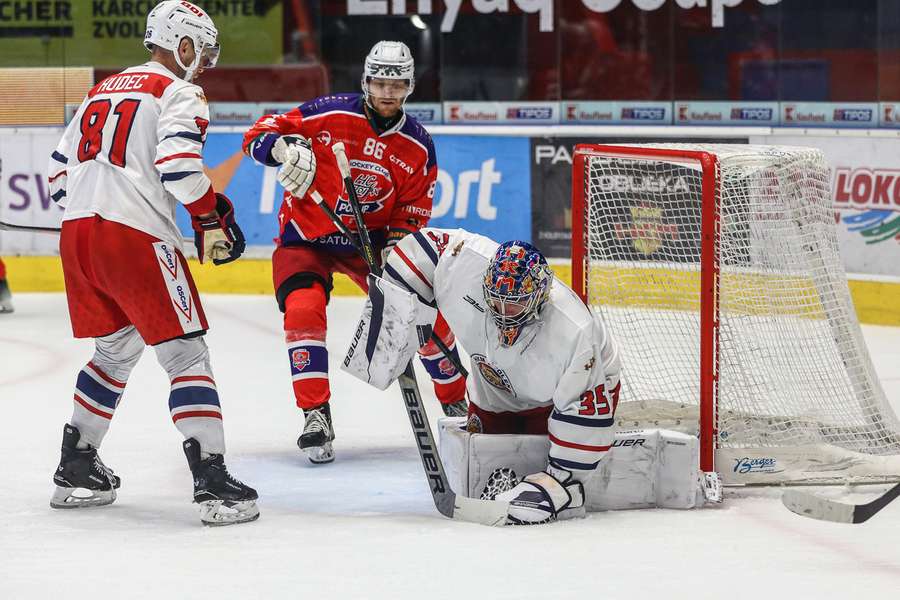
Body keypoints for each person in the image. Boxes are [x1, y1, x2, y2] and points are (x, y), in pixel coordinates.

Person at [45, 1, 257, 526]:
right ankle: (212, 480)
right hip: (134, 239)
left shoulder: (102, 88)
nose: (204, 62)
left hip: (78, 238)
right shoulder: (178, 91)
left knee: (115, 351)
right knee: (187, 355)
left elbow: (56, 179)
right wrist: (213, 216)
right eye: (202, 51)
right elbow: (181, 169)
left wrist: (100, 202)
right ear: (182, 44)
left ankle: (77, 463)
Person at [242, 41, 467, 465]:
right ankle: (315, 415)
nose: (387, 92)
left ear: (410, 87)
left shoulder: (418, 145)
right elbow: (256, 134)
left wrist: (397, 246)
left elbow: (413, 210)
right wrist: (280, 149)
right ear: (366, 81)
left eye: (397, 84)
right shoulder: (327, 114)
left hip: (373, 246)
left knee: (422, 312)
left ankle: (457, 402)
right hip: (306, 237)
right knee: (303, 309)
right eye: (380, 82)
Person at [348, 228, 622, 525]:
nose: (503, 312)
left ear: (539, 296)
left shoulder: (574, 331)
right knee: (486, 456)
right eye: (496, 300)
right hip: (493, 388)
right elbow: (420, 250)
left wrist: (560, 483)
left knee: (545, 459)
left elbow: (586, 412)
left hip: (563, 394)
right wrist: (393, 313)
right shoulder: (465, 264)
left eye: (515, 303)